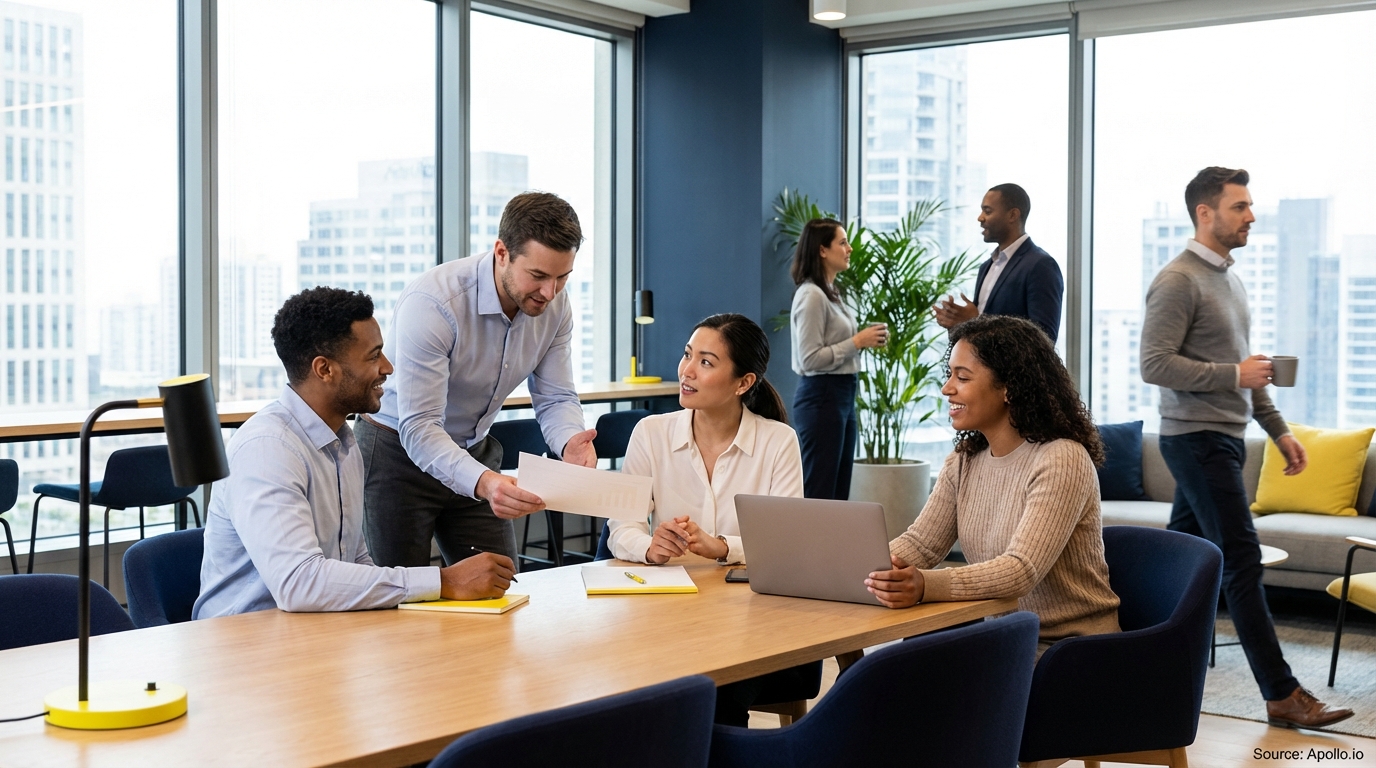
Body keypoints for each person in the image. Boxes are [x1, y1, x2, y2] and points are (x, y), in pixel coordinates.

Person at [1140, 167, 1352, 729]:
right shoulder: (1178, 280)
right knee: (1241, 561)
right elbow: (1154, 364)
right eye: (1240, 206)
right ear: (1205, 213)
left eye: (1250, 206)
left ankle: (1139, 665)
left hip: (1224, 439)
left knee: (1181, 564)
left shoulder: (1230, 280)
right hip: (1196, 439)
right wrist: (1234, 372)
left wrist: (1279, 429)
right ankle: (1282, 693)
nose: (1251, 216)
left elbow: (1247, 372)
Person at [194, 288, 515, 619]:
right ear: (325, 369)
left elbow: (355, 559)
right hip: (244, 647)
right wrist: (443, 581)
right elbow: (298, 583)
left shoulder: (344, 443)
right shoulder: (267, 449)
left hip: (317, 634)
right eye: (374, 356)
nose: (388, 368)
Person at [358, 192, 598, 569]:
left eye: (562, 277)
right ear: (501, 252)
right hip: (396, 456)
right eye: (537, 276)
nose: (549, 293)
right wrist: (485, 482)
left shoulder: (555, 306)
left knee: (501, 585)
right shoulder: (434, 303)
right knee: (399, 599)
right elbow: (420, 427)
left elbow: (555, 397)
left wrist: (570, 442)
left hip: (474, 448)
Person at [864, 315, 1120, 654]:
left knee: (903, 686)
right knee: (883, 681)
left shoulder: (1061, 458)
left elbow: (1020, 571)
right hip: (1007, 639)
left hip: (1070, 650)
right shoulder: (965, 459)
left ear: (1008, 388)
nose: (946, 388)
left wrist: (925, 584)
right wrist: (864, 570)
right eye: (949, 374)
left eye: (962, 377)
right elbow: (921, 546)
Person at [607, 313, 810, 726]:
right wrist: (650, 546)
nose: (686, 371)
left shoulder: (777, 441)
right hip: (670, 615)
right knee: (630, 689)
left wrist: (722, 547)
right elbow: (621, 528)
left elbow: (786, 543)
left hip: (751, 621)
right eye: (687, 355)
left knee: (714, 693)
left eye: (706, 361)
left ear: (743, 383)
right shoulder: (651, 433)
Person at [788, 218, 888, 501]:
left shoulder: (831, 293)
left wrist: (862, 342)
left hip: (842, 395)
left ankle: (829, 547)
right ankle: (808, 547)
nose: (850, 248)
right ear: (822, 250)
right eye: (842, 242)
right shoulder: (812, 296)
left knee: (837, 492)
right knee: (821, 492)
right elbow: (809, 359)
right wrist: (857, 342)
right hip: (822, 396)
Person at [933, 183, 1063, 342]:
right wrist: (957, 324)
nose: (980, 218)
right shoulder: (986, 267)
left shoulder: (1040, 266)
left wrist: (975, 321)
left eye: (987, 211)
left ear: (1013, 215)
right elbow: (978, 335)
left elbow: (1044, 339)